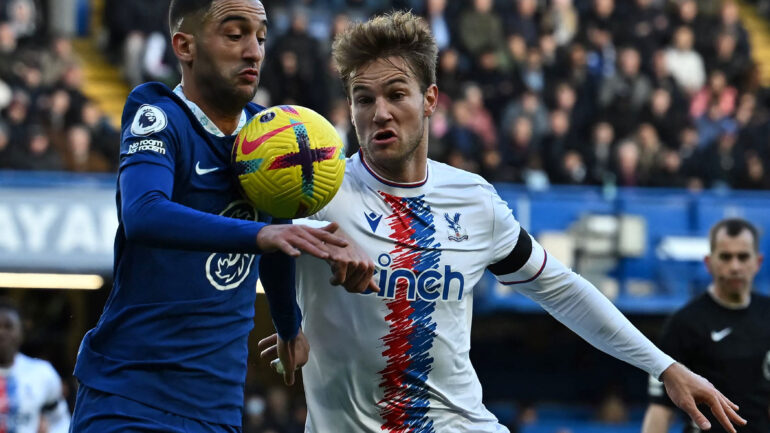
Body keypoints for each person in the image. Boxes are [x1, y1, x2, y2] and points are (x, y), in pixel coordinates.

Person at [258, 11, 747, 433]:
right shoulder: (318, 194)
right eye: (364, 99)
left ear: (429, 100)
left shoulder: (475, 200)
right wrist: (287, 322)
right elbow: (251, 246)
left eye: (396, 94)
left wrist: (664, 367)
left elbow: (564, 290)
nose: (379, 111)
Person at [69, 1, 373, 432]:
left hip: (217, 406)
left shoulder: (268, 134)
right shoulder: (159, 117)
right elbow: (143, 213)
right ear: (184, 46)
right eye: (235, 35)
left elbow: (276, 238)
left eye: (261, 37)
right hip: (131, 396)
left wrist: (290, 326)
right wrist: (258, 235)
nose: (254, 51)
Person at [642, 218, 770, 433]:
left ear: (757, 262)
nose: (735, 266)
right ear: (708, 262)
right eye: (726, 257)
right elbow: (660, 409)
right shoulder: (683, 323)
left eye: (743, 257)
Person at [0, 300, 70, 433]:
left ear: (21, 333)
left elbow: (60, 421)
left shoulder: (42, 373)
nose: (2, 333)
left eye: (8, 326)